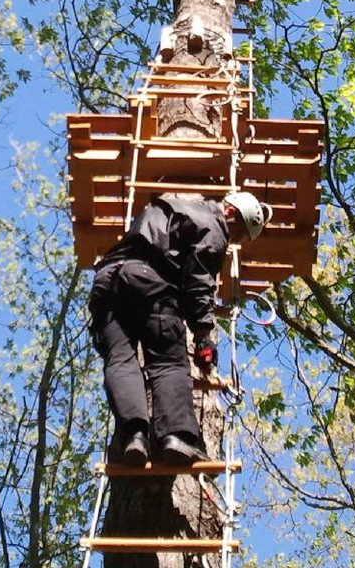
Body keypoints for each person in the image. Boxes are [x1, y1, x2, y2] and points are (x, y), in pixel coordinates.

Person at [87, 191, 271, 465]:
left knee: (119, 359)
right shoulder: (213, 224)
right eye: (239, 232)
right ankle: (176, 437)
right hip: (149, 283)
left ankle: (134, 436)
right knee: (168, 362)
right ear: (231, 212)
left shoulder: (167, 209)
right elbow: (199, 283)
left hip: (107, 281)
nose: (234, 240)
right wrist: (203, 336)